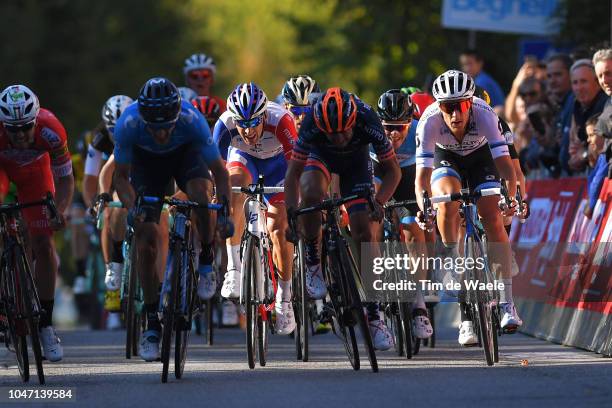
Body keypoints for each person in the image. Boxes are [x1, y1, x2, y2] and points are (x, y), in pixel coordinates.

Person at [113, 77, 232, 361]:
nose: (162, 133)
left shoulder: (192, 120)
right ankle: (152, 322)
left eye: (167, 126)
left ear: (177, 116)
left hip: (185, 158)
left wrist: (225, 209)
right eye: (155, 127)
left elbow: (219, 171)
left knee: (200, 195)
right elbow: (120, 177)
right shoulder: (128, 124)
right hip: (146, 166)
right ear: (143, 118)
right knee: (145, 239)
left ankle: (205, 260)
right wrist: (132, 208)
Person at [284, 87, 401, 350]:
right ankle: (313, 260)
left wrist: (379, 202)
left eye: (343, 131)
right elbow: (292, 176)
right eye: (331, 133)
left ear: (353, 122)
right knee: (311, 193)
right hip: (319, 158)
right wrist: (292, 213)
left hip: (356, 164)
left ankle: (375, 315)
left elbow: (393, 172)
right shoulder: (313, 122)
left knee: (364, 232)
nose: (337, 138)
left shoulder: (367, 118)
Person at [414, 70, 520, 346]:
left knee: (492, 217)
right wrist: (424, 205)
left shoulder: (486, 115)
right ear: (439, 106)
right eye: (448, 107)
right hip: (445, 158)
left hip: (481, 158)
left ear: (470, 103)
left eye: (461, 105)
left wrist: (509, 196)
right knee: (447, 200)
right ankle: (451, 255)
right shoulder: (428, 123)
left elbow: (506, 165)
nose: (455, 114)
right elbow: (422, 178)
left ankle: (507, 302)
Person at [214, 82, 297, 335]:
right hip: (244, 160)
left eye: (253, 124)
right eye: (242, 124)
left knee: (278, 227)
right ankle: (234, 269)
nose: (248, 131)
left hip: (279, 166)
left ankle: (284, 298)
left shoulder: (282, 120)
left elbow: (296, 169)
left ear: (264, 116)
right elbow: (216, 171)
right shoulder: (223, 125)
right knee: (233, 188)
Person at [0, 84, 75, 361]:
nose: (19, 135)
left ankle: (45, 323)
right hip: (3, 173)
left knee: (43, 245)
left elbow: (66, 179)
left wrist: (61, 210)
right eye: (12, 129)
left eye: (25, 128)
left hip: (35, 174)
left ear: (36, 120)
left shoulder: (51, 131)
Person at [373, 89, 433, 339]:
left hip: (410, 174)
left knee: (413, 232)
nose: (394, 134)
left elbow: (429, 172)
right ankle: (375, 302)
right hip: (379, 170)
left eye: (401, 127)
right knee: (369, 220)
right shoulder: (371, 133)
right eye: (388, 127)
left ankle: (419, 302)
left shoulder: (421, 130)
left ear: (411, 122)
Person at [82, 95, 133, 329]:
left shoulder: (140, 127)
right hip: (114, 181)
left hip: (138, 175)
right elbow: (92, 177)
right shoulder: (100, 138)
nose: (116, 134)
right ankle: (112, 267)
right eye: (113, 130)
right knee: (109, 212)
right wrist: (94, 204)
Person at [567, 59, 608, 172]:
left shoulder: (607, 105)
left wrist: (584, 154)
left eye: (584, 81)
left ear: (598, 83)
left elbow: (603, 146)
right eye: (575, 83)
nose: (579, 88)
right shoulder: (576, 106)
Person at [459, 49, 505, 115]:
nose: (466, 68)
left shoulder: (482, 82)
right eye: (464, 64)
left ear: (480, 63)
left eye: (470, 64)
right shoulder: (474, 80)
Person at [584, 114, 608, 219]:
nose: (588, 140)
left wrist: (591, 204)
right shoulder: (602, 156)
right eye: (588, 136)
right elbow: (592, 179)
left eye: (591, 135)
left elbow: (598, 180)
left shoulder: (607, 156)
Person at [592, 49, 612, 142]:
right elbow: (604, 149)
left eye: (608, 74)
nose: (604, 81)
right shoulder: (608, 103)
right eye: (600, 76)